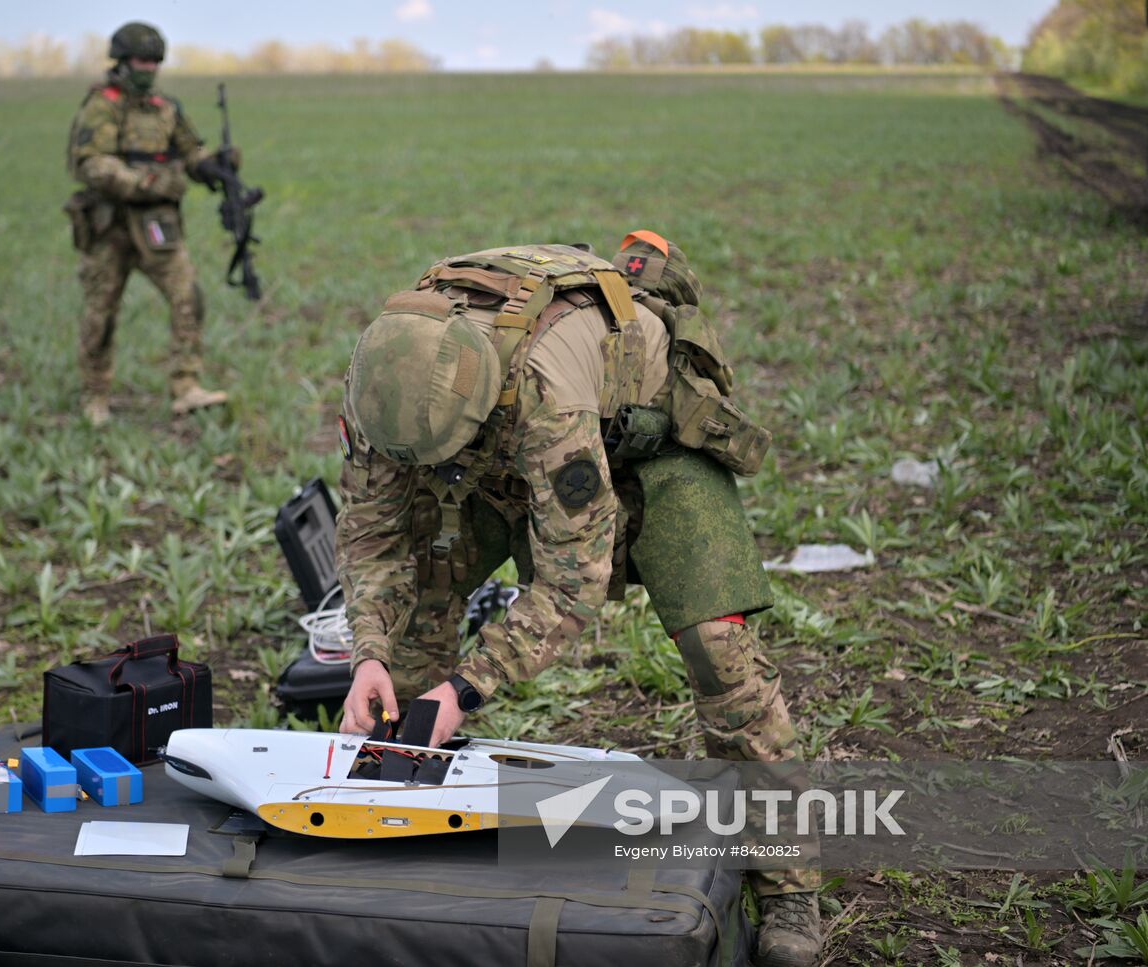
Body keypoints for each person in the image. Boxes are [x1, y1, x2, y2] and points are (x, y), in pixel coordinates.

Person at [335, 234, 821, 966]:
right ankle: (402, 803)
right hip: (492, 454)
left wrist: (468, 685)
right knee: (416, 599)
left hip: (653, 444)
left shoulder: (542, 392)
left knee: (719, 656)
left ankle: (788, 880)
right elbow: (373, 535)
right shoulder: (386, 382)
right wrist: (369, 653)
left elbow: (573, 581)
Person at [64, 21, 238, 426]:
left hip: (157, 227)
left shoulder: (166, 110)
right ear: (122, 62)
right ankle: (95, 395)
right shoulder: (101, 106)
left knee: (187, 297)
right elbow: (90, 163)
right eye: (142, 60)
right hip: (109, 227)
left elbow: (190, 150)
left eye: (155, 62)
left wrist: (214, 164)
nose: (149, 68)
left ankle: (186, 386)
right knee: (101, 313)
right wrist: (144, 182)